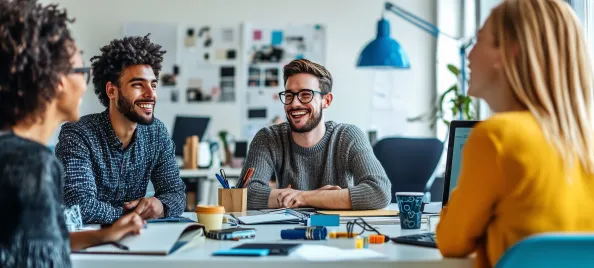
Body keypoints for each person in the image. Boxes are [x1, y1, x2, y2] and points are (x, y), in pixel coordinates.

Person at [436, 0, 594, 267]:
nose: (469, 55)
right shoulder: (584, 141)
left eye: (478, 40)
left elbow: (450, 240)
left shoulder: (497, 137)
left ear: (509, 52)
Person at [0, 1, 145, 267]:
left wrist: (104, 235)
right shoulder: (34, 164)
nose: (85, 86)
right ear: (58, 81)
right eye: (82, 72)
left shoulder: (10, 151)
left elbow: (34, 242)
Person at [55, 35, 186, 224]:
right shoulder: (78, 134)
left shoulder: (157, 133)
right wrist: (130, 215)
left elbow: (176, 193)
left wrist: (161, 205)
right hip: (85, 246)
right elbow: (79, 205)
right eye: (138, 85)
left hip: (138, 240)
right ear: (111, 91)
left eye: (153, 85)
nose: (150, 94)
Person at [242, 59, 391, 210]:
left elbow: (379, 191)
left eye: (305, 95)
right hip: (284, 230)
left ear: (326, 100)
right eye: (289, 96)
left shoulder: (348, 136)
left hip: (340, 230)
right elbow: (245, 194)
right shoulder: (268, 138)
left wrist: (303, 197)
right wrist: (321, 196)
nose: (294, 104)